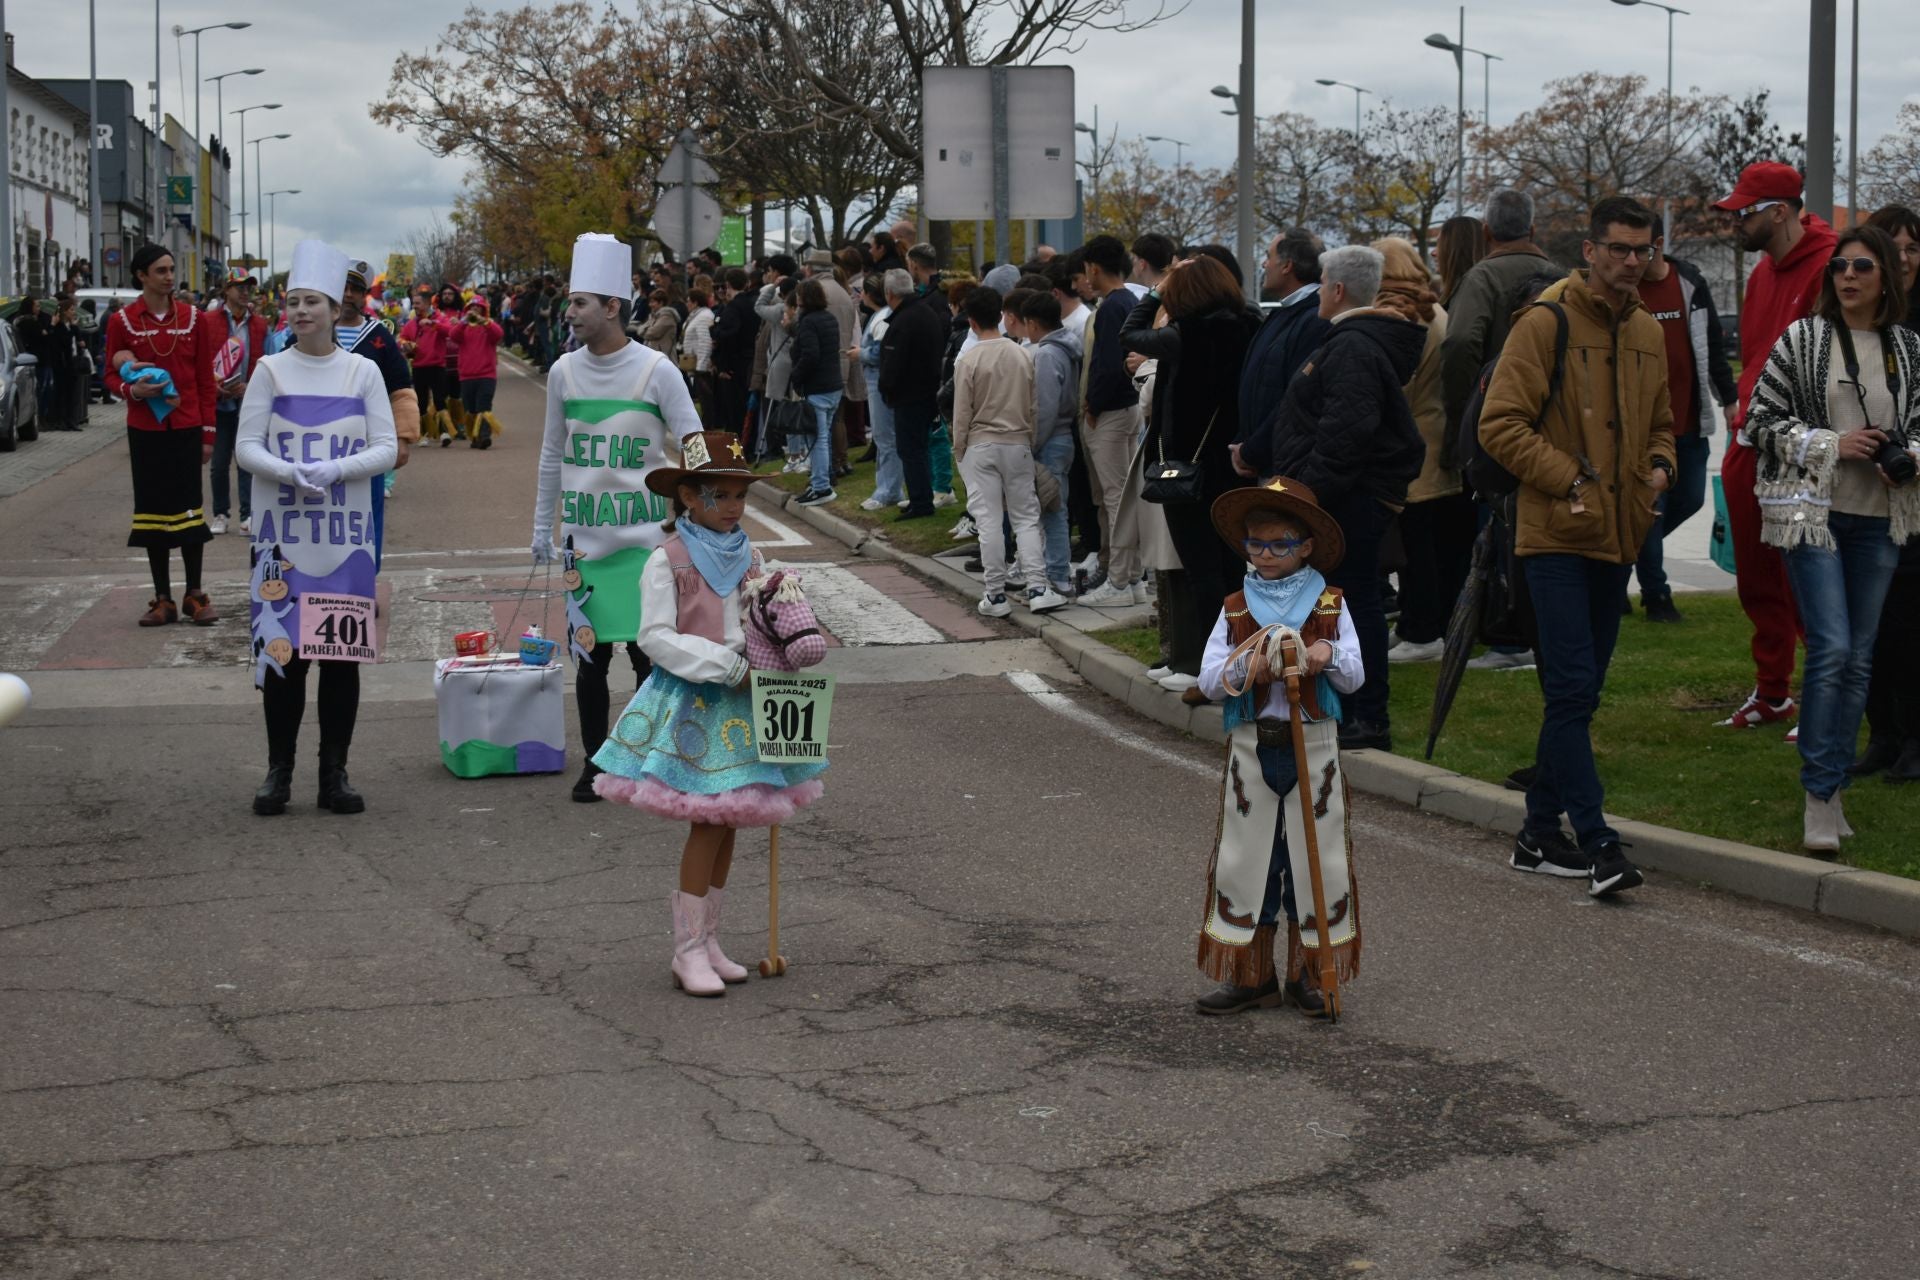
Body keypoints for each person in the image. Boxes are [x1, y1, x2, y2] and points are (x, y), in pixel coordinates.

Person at [1480, 196, 1675, 895]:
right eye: (1619, 248)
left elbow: (1662, 424)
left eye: (1642, 250)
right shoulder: (1546, 321)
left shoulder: (1649, 331)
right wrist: (1569, 480)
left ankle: (1537, 833)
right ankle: (1599, 843)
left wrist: (1660, 470)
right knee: (1568, 688)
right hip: (1554, 535)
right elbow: (1499, 425)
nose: (1631, 261)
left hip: (1619, 534)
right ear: (1588, 250)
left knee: (1581, 692)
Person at [591, 430, 828, 998]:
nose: (733, 508)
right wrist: (726, 665)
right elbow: (655, 637)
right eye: (721, 497)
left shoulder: (750, 553)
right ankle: (687, 949)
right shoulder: (665, 559)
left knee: (730, 821)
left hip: (746, 700)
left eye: (740, 497)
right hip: (696, 703)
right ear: (690, 499)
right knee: (706, 821)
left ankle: (710, 939)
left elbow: (760, 616)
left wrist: (780, 631)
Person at [1745, 225, 1920, 851]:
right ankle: (1819, 793)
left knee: (1860, 657)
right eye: (1840, 266)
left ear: (1886, 278)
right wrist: (1831, 444)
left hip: (1880, 517)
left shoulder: (1908, 348)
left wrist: (1906, 455)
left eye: (1863, 267)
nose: (1848, 276)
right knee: (1834, 649)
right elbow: (1757, 422)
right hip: (1811, 516)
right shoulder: (1804, 338)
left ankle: (1835, 786)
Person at [532, 232, 703, 803]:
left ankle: (648, 758)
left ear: (612, 307)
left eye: (581, 301)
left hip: (646, 546)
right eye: (569, 301)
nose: (569, 311)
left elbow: (693, 440)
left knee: (648, 657)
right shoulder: (563, 372)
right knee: (589, 659)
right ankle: (597, 763)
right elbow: (552, 453)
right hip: (585, 546)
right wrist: (542, 529)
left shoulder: (656, 370)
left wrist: (714, 503)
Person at [234, 241, 398, 817]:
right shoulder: (269, 370)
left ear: (335, 308)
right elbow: (245, 446)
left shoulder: (364, 371)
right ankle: (279, 770)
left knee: (340, 657)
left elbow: (387, 448)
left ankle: (335, 772)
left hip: (347, 536)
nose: (301, 311)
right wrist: (288, 471)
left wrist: (335, 469)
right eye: (293, 302)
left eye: (312, 302)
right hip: (282, 536)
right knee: (284, 657)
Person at [1243, 246, 1426, 752]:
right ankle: (1345, 709)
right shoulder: (1348, 341)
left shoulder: (1352, 347)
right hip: (1341, 495)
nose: (1320, 291)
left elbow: (1347, 432)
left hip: (1347, 500)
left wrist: (1306, 497)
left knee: (1357, 602)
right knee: (1343, 602)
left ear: (1338, 290)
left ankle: (1368, 717)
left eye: (1323, 284)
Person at [1193, 477, 1364, 1016]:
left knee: (1317, 859)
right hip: (1254, 745)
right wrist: (1250, 664)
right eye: (1255, 544)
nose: (1265, 555)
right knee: (1250, 860)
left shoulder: (1331, 605)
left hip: (1312, 746)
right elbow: (1207, 680)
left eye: (1279, 544)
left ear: (1306, 546)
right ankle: (1251, 973)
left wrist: (1324, 654)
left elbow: (1356, 676)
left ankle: (1312, 974)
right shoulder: (1236, 606)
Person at [1714, 162, 1838, 732]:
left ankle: (1823, 694)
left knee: (1803, 571)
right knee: (1757, 573)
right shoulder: (1762, 273)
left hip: (1798, 444)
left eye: (1745, 212)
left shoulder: (1833, 264)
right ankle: (1772, 692)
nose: (1734, 222)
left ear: (1780, 211)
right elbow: (1760, 353)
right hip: (1751, 436)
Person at [1119, 255, 1261, 679]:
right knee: (1233, 565)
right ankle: (1238, 654)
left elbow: (1130, 333)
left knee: (1200, 569)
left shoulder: (1186, 334)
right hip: (1233, 459)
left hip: (1186, 465)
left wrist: (1158, 290)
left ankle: (1208, 663)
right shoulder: (1250, 325)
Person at [104, 245, 219, 628]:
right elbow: (108, 374)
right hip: (145, 429)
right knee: (152, 515)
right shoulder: (122, 321)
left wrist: (208, 433)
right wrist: (132, 391)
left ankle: (195, 594)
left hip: (185, 426)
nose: (170, 277)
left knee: (189, 512)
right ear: (141, 275)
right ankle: (163, 599)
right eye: (161, 270)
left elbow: (205, 378)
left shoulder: (193, 319)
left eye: (172, 269)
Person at [1630, 233, 1739, 622]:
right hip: (1644, 427)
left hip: (1690, 419)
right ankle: (1657, 596)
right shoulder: (1625, 288)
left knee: (1690, 498)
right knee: (1651, 508)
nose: (1632, 257)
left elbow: (1711, 344)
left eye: (1640, 248)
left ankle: (1626, 554)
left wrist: (1728, 399)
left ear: (1657, 244)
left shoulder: (1689, 281)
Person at [1370, 238, 1465, 666]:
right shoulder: (1434, 308)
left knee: (1416, 550)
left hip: (1413, 446)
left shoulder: (1401, 312)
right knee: (1430, 545)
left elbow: (1396, 387)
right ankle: (1417, 624)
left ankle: (1422, 632)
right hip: (1436, 439)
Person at [1855, 204, 1920, 782]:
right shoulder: (1858, 330)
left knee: (1912, 621)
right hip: (1870, 498)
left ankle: (1915, 739)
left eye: (1913, 248)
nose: (1903, 258)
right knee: (1876, 623)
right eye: (1891, 247)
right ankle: (1885, 733)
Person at [951, 286, 1061, 616]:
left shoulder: (968, 358)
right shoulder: (1021, 354)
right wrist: (1029, 440)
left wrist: (960, 451)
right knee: (1026, 518)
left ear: (971, 321)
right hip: (1017, 442)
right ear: (1001, 315)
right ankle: (1038, 586)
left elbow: (962, 413)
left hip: (979, 444)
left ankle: (995, 594)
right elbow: (1033, 406)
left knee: (988, 521)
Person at [1440, 190, 1555, 474]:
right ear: (1532, 230)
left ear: (1486, 231)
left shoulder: (1481, 278)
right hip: (1553, 420)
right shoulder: (1561, 277)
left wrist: (1463, 409)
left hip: (1493, 425)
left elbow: (1460, 341)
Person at [1077, 235, 1148, 606]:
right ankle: (1132, 577)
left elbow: (1106, 366)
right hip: (1129, 407)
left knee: (1115, 499)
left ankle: (1120, 581)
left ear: (1094, 267)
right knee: (1124, 495)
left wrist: (1092, 404)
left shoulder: (1110, 307)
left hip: (1111, 411)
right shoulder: (1129, 302)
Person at [1233, 229, 1330, 482]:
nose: (1264, 264)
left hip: (1285, 468)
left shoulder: (1315, 319)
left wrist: (1252, 450)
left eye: (1268, 256)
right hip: (1266, 460)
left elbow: (1295, 398)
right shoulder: (1284, 313)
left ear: (1287, 265)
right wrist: (1242, 442)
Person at [335, 261, 420, 537]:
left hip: (367, 444)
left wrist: (403, 438)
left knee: (367, 520)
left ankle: (365, 574)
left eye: (356, 289)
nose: (349, 294)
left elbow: (400, 389)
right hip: (320, 442)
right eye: (343, 288)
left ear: (364, 296)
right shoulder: (313, 334)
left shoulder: (379, 336)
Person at [881, 246, 948, 521]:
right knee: (917, 449)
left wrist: (887, 389)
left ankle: (921, 501)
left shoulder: (904, 320)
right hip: (926, 391)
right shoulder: (925, 311)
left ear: (890, 294)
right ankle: (921, 497)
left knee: (911, 450)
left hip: (909, 395)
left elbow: (894, 363)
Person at [1024, 290, 1082, 599]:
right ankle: (1055, 571)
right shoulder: (1067, 345)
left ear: (1033, 323)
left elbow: (1044, 407)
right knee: (1055, 506)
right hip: (1063, 437)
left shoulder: (1046, 354)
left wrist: (1032, 444)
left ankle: (1057, 574)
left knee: (1052, 508)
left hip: (1051, 440)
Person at [787, 278, 846, 507]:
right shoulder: (828, 318)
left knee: (817, 439)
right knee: (824, 436)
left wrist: (796, 377)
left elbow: (810, 354)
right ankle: (821, 480)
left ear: (804, 298)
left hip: (818, 387)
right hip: (833, 385)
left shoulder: (809, 322)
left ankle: (821, 486)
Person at [858, 273, 906, 511]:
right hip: (875, 381)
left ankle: (889, 490)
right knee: (883, 436)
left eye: (863, 292)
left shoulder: (882, 317)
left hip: (878, 381)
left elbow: (877, 354)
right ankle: (887, 487)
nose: (860, 295)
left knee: (885, 437)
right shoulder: (880, 315)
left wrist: (860, 354)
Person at [710, 266, 762, 434]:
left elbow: (727, 337)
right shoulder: (753, 304)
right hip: (750, 360)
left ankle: (736, 449)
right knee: (748, 408)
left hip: (733, 365)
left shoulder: (733, 307)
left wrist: (714, 331)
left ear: (728, 284)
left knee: (734, 411)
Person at [1434, 215, 1487, 307]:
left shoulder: (1468, 298)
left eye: (1440, 245)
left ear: (1457, 252)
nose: (1433, 253)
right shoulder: (1482, 291)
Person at [684, 285, 716, 425]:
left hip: (701, 366)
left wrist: (701, 366)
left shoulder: (704, 317)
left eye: (688, 301)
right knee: (701, 398)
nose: (687, 304)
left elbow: (705, 341)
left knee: (706, 398)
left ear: (695, 302)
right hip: (695, 363)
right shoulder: (696, 316)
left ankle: (709, 425)